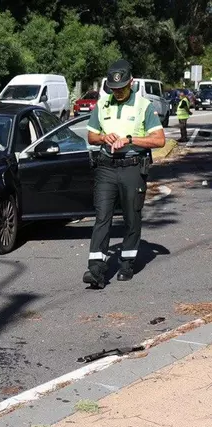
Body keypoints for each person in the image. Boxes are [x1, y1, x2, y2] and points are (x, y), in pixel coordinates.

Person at [83, 59, 166, 288]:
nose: (117, 92)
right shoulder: (103, 104)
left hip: (132, 166)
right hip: (106, 167)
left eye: (121, 88)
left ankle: (127, 263)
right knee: (102, 216)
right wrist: (103, 137)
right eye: (113, 88)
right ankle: (96, 270)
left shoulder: (143, 106)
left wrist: (130, 140)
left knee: (131, 216)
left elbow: (159, 140)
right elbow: (91, 136)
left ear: (131, 82)